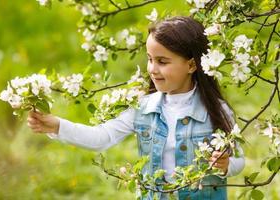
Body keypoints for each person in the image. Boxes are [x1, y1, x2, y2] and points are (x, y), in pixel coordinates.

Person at [27, 16, 245, 200]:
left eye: (162, 61)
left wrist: (225, 165)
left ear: (191, 65)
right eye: (150, 59)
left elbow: (239, 160)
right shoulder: (143, 108)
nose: (152, 69)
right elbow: (101, 137)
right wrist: (57, 126)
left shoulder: (216, 110)